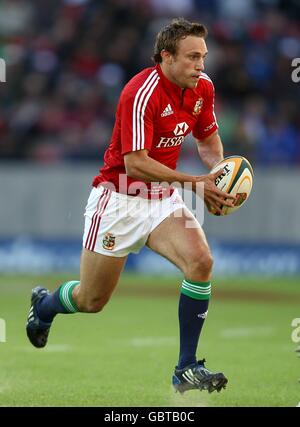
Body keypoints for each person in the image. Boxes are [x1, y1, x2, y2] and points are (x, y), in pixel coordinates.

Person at [26, 17, 236, 394]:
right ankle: (44, 307)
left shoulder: (203, 87)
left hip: (162, 199)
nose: (201, 65)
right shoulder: (140, 92)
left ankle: (185, 368)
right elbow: (135, 162)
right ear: (166, 57)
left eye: (203, 56)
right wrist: (195, 184)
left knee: (201, 262)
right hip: (120, 198)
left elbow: (207, 140)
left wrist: (220, 173)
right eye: (192, 57)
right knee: (91, 300)